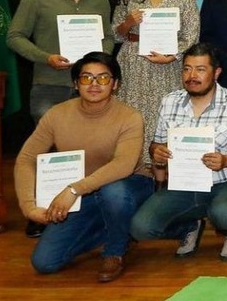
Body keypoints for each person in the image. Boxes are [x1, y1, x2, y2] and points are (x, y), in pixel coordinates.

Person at [13, 52, 154, 283]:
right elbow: (26, 159)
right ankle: (118, 226)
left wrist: (73, 190)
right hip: (84, 196)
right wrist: (29, 207)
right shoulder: (56, 114)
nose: (95, 84)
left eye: (103, 78)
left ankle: (114, 251)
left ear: (115, 84)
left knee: (113, 192)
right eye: (87, 78)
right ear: (76, 84)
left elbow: (123, 165)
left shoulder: (130, 117)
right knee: (45, 262)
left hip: (129, 186)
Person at [130, 42, 227, 261]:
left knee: (226, 214)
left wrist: (226, 160)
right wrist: (157, 152)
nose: (192, 76)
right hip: (184, 185)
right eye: (187, 69)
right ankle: (188, 227)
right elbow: (156, 144)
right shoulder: (169, 101)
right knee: (140, 228)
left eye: (200, 69)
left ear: (216, 73)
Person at [111, 0, 200, 171]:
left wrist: (173, 55)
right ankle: (135, 166)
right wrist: (129, 22)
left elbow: (192, 35)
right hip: (134, 63)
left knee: (167, 112)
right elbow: (114, 34)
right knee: (134, 112)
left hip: (169, 64)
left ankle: (166, 167)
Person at [8, 0, 112, 123]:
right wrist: (46, 58)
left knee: (90, 143)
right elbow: (14, 37)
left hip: (92, 85)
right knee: (51, 145)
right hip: (50, 84)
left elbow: (108, 37)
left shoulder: (100, 0)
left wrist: (99, 58)